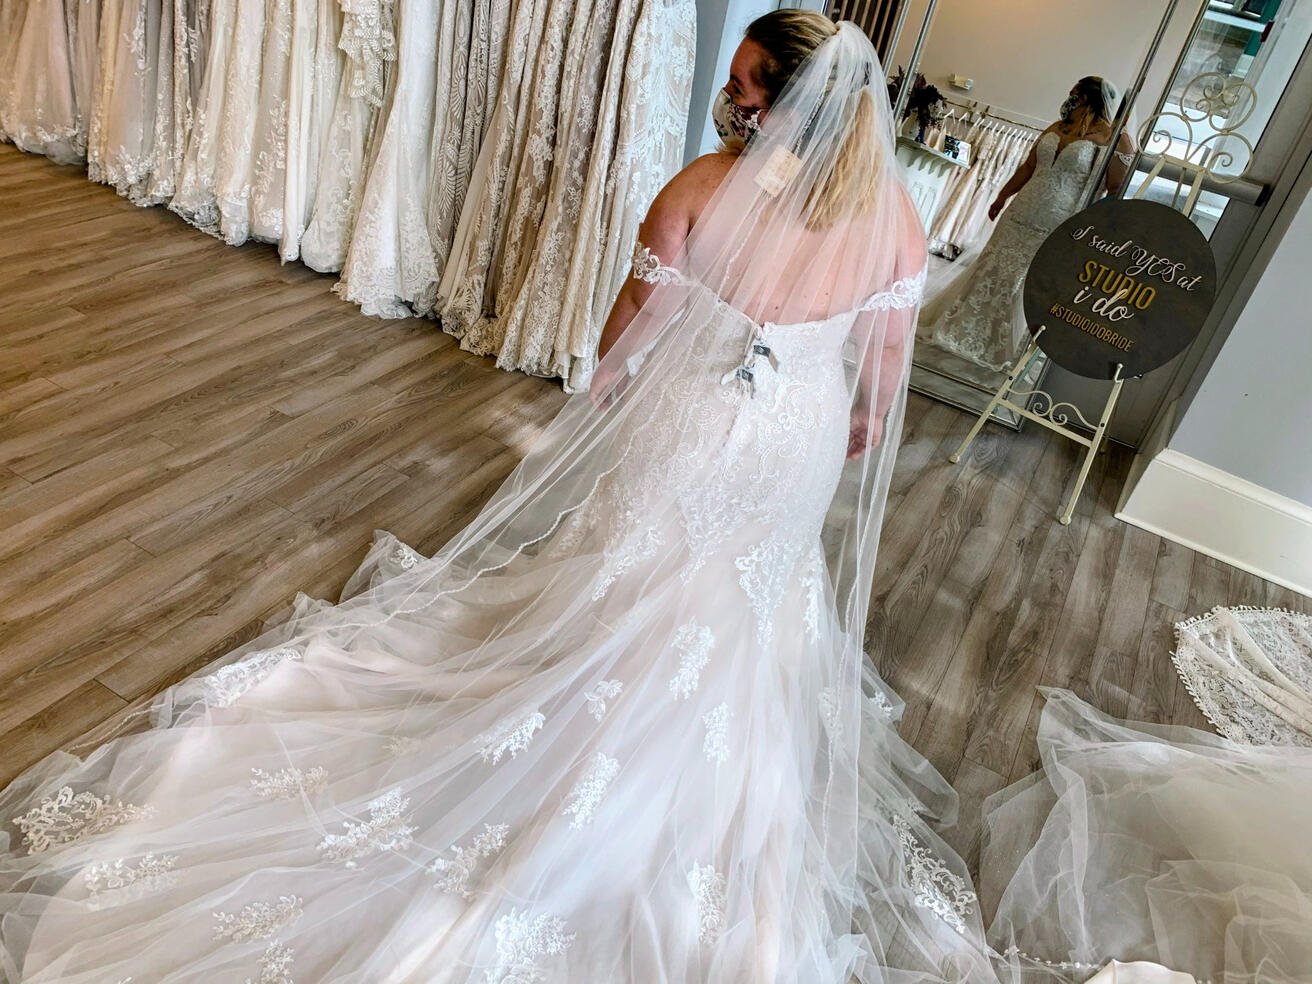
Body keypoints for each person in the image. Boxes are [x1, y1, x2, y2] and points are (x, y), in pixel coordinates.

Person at [1, 12, 992, 984]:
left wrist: (607, 381)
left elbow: (641, 317)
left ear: (790, 106)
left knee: (633, 564)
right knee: (748, 593)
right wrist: (853, 421)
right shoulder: (896, 221)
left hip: (691, 424)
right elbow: (885, 370)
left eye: (746, 86)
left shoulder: (700, 189)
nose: (731, 99)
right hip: (796, 438)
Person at [927, 75, 1137, 371]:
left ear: (1087, 98)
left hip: (1059, 220)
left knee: (1028, 279)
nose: (1069, 99)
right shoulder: (1057, 127)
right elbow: (1029, 166)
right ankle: (963, 328)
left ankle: (1007, 347)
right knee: (994, 266)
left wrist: (1090, 227)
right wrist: (1002, 197)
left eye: (1074, 94)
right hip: (1022, 211)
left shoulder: (1111, 137)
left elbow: (1116, 189)